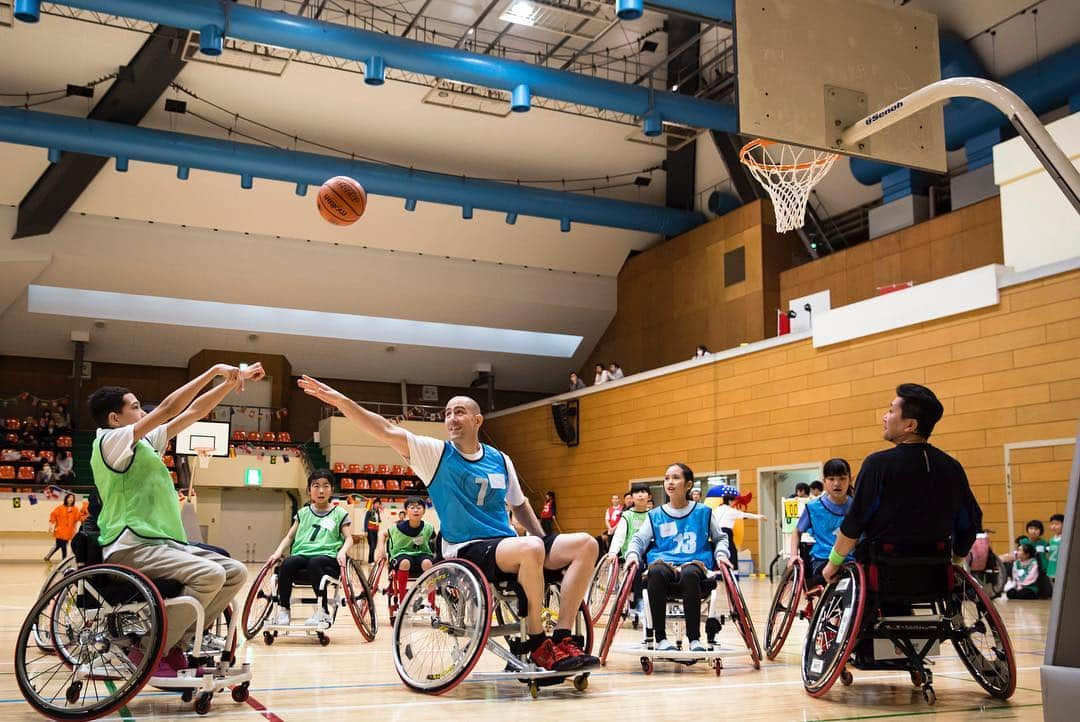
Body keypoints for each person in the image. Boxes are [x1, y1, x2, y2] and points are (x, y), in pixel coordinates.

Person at [296, 376, 599, 671]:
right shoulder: (436, 453)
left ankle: (563, 637)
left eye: (459, 412)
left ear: (478, 420)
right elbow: (386, 429)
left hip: (508, 544)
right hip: (466, 547)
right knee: (531, 547)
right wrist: (340, 401)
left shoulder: (500, 459)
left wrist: (545, 542)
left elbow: (519, 505)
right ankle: (536, 643)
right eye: (447, 413)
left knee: (586, 544)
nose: (452, 418)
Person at [87, 362, 262, 677]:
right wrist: (212, 372)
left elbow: (193, 412)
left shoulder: (144, 444)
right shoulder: (109, 442)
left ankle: (175, 643)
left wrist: (231, 382)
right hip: (130, 545)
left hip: (162, 543)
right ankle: (149, 648)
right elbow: (169, 407)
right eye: (136, 407)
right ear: (115, 418)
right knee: (209, 574)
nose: (143, 412)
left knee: (234, 572)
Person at [822, 384, 982, 587]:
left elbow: (855, 522)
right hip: (936, 571)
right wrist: (955, 561)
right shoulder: (952, 467)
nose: (885, 417)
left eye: (891, 411)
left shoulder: (877, 464)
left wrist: (833, 563)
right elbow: (969, 522)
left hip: (883, 571)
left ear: (910, 426)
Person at [625, 464, 731, 652]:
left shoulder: (703, 512)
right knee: (655, 571)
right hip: (665, 564)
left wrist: (721, 555)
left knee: (690, 573)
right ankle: (661, 639)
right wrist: (633, 555)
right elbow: (638, 540)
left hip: (695, 565)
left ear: (688, 484)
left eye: (675, 478)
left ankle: (694, 639)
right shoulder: (655, 515)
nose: (670, 482)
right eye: (666, 478)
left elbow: (720, 538)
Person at [268, 469, 353, 626]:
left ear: (332, 490)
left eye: (326, 486)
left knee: (315, 562)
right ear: (309, 490)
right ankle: (284, 609)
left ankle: (323, 611)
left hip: (327, 557)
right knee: (288, 563)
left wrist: (342, 552)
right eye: (316, 486)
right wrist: (277, 553)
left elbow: (349, 539)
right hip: (303, 555)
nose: (321, 490)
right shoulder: (303, 513)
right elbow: (289, 536)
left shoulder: (339, 513)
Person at [788, 459, 854, 587]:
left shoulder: (857, 507)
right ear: (824, 481)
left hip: (852, 561)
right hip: (823, 559)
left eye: (842, 478)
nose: (837, 483)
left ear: (850, 479)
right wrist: (793, 555)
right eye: (831, 479)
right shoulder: (813, 507)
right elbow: (797, 531)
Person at [607, 483, 652, 620]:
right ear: (631, 497)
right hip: (631, 552)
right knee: (636, 567)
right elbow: (619, 536)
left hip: (650, 551)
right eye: (637, 492)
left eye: (643, 492)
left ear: (649, 496)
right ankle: (637, 600)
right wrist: (613, 552)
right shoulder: (627, 515)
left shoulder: (653, 515)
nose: (640, 495)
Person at [376, 495, 436, 595]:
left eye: (419, 508)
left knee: (428, 563)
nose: (415, 510)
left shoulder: (428, 527)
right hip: (401, 555)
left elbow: (435, 539)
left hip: (421, 554)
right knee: (405, 562)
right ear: (406, 511)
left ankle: (431, 604)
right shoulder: (397, 528)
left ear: (424, 511)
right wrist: (381, 551)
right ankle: (402, 600)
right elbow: (381, 533)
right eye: (412, 508)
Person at [711, 485, 767, 566]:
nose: (735, 503)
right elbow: (745, 515)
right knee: (731, 551)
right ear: (730, 501)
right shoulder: (731, 511)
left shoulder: (717, 509)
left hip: (714, 531)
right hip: (726, 532)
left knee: (717, 550)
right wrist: (760, 517)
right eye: (734, 501)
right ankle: (734, 570)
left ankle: (719, 570)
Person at [45, 492, 86, 561]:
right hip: (60, 530)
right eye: (69, 497)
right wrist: (50, 526)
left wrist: (84, 511)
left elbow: (80, 518)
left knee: (58, 545)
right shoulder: (60, 508)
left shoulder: (75, 509)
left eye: (72, 498)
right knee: (63, 545)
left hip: (69, 531)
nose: (71, 499)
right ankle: (63, 559)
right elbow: (53, 516)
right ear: (66, 499)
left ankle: (48, 556)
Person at [362, 498, 382, 563]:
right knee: (372, 546)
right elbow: (366, 521)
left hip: (375, 531)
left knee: (374, 546)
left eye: (379, 504)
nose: (377, 505)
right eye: (376, 504)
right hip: (370, 530)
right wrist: (365, 531)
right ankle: (371, 561)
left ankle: (371, 559)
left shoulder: (377, 513)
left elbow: (378, 521)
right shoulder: (369, 511)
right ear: (373, 504)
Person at [1047, 513, 1064, 585]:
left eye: (1057, 524)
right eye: (1052, 524)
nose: (1054, 526)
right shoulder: (1051, 539)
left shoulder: (1065, 539)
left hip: (1061, 567)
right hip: (1052, 566)